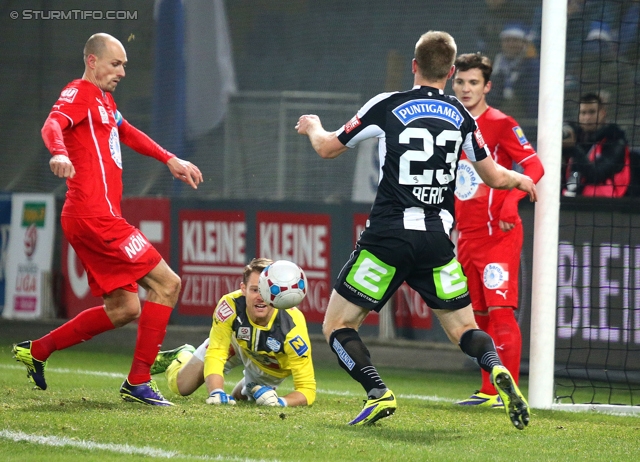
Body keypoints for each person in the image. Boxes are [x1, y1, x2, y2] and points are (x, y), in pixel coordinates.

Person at [296, 31, 536, 430]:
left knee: (337, 325)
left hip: (388, 237)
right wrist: (519, 180)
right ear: (450, 71)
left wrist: (313, 126)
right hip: (437, 242)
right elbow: (492, 176)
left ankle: (377, 392)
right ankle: (494, 366)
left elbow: (328, 147)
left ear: (414, 65)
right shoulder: (462, 115)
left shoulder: (388, 104)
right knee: (465, 329)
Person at [12, 33, 203, 406]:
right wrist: (58, 153)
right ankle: (138, 382)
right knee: (167, 284)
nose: (122, 72)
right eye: (116, 64)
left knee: (125, 308)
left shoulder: (104, 100)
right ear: (92, 61)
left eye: (125, 66)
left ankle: (38, 349)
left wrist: (170, 159)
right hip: (94, 215)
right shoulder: (79, 92)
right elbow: (52, 124)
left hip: (93, 216)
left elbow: (126, 131)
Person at [451, 53, 544, 408]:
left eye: (473, 82)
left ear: (487, 86)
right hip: (467, 236)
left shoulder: (501, 123)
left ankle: (507, 391)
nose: (465, 88)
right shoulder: (449, 123)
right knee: (476, 316)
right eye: (460, 81)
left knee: (500, 309)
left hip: (498, 234)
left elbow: (534, 165)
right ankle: (488, 390)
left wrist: (510, 200)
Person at [149, 258, 316, 407]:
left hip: (269, 367)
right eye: (254, 290)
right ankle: (184, 355)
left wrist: (281, 402)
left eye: (265, 290)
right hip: (235, 342)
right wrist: (216, 392)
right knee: (181, 387)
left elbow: (307, 389)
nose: (260, 297)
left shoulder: (292, 327)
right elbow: (216, 352)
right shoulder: (230, 305)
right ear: (243, 289)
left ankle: (250, 387)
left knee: (242, 399)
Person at [562, 92, 630, 197]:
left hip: (604, 206)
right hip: (572, 201)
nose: (587, 118)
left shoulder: (615, 142)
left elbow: (596, 175)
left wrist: (574, 150)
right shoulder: (579, 139)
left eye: (592, 112)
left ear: (603, 113)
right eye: (583, 113)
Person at [487, 23, 540, 122]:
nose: (511, 44)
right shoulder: (493, 66)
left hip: (525, 122)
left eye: (515, 40)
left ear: (524, 43)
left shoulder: (533, 67)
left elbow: (533, 99)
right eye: (507, 40)